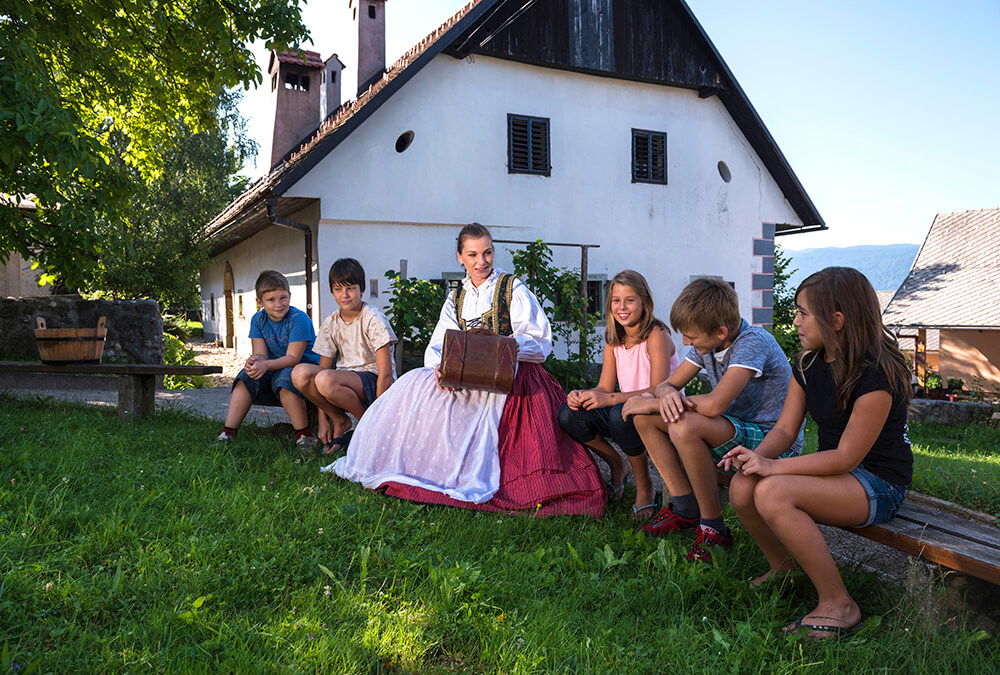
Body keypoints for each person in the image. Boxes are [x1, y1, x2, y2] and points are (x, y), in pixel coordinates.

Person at [324, 223, 605, 517]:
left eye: (487, 253)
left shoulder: (511, 287)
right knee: (414, 387)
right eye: (472, 255)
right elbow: (439, 342)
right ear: (460, 257)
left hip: (508, 376)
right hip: (464, 377)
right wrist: (440, 369)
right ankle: (423, 468)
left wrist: (502, 346)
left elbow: (541, 343)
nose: (481, 262)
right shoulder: (457, 294)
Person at [719, 267, 912, 639]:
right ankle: (784, 568)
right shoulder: (808, 364)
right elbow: (786, 429)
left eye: (804, 313)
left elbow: (846, 458)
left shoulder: (876, 377)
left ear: (836, 320)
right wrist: (756, 457)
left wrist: (773, 467)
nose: (797, 321)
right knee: (744, 485)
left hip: (877, 484)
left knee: (773, 490)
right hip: (836, 474)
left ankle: (839, 604)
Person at [622, 277, 801, 561]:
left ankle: (713, 528)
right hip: (733, 430)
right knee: (646, 419)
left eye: (691, 337)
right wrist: (665, 394)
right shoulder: (707, 342)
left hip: (771, 439)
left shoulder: (753, 342)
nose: (685, 342)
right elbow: (667, 384)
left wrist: (656, 402)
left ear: (720, 331)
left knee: (684, 424)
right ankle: (684, 506)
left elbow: (716, 404)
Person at [558, 270, 679, 519]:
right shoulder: (614, 340)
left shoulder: (657, 336)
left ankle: (645, 485)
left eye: (630, 300)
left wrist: (612, 399)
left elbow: (659, 389)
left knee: (618, 412)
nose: (622, 307)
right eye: (616, 300)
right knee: (570, 415)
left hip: (661, 415)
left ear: (644, 302)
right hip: (626, 413)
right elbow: (604, 388)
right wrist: (582, 395)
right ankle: (617, 464)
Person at [291, 258, 397, 454]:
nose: (344, 295)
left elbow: (386, 374)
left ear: (361, 288)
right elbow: (322, 372)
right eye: (338, 289)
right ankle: (340, 420)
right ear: (332, 292)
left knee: (324, 378)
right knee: (300, 373)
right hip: (342, 382)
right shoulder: (331, 322)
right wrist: (324, 420)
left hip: (375, 382)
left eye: (350, 288)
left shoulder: (372, 318)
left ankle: (369, 427)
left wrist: (380, 415)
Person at [215, 270, 321, 446]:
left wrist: (265, 364)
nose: (278, 304)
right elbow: (261, 353)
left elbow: (293, 358)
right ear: (260, 302)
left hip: (303, 370)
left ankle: (305, 435)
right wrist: (255, 361)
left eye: (283, 298)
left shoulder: (298, 319)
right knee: (245, 376)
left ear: (290, 296)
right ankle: (228, 432)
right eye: (271, 300)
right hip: (276, 366)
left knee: (284, 377)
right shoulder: (258, 319)